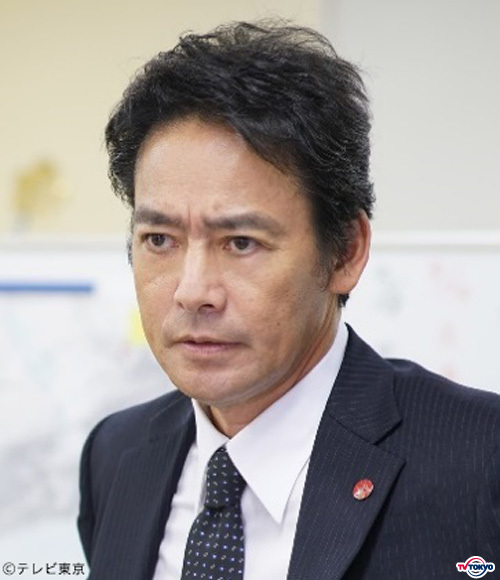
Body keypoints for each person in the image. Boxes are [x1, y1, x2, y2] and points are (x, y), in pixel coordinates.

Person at [77, 21, 500, 580]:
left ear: (345, 251)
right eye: (159, 240)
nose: (192, 291)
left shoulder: (480, 460)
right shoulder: (116, 456)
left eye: (241, 242)